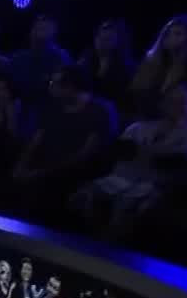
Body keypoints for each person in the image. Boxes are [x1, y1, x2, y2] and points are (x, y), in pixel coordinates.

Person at [71, 84, 187, 241]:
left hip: (158, 184)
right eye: (171, 101)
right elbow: (120, 151)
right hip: (121, 177)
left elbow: (184, 162)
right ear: (162, 104)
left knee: (130, 208)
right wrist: (155, 152)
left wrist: (150, 154)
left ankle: (109, 241)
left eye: (182, 102)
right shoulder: (139, 127)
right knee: (82, 197)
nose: (177, 107)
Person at [9, 64, 116, 220]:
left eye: (54, 83)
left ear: (70, 87)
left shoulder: (99, 111)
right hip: (43, 165)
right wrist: (21, 165)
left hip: (73, 171)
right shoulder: (53, 106)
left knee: (42, 190)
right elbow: (36, 140)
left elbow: (85, 155)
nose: (50, 87)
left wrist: (40, 173)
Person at [128, 15, 187, 121]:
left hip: (185, 121)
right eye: (167, 33)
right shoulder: (152, 62)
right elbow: (137, 93)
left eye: (178, 34)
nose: (171, 37)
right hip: (151, 118)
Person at [9, 14, 72, 107]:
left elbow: (63, 87)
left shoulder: (61, 57)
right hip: (21, 108)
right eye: (37, 27)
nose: (39, 32)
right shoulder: (17, 58)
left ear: (53, 33)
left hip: (51, 108)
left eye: (44, 28)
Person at [78, 19, 137, 109]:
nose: (101, 41)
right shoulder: (87, 57)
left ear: (119, 41)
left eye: (108, 39)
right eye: (99, 36)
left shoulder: (127, 68)